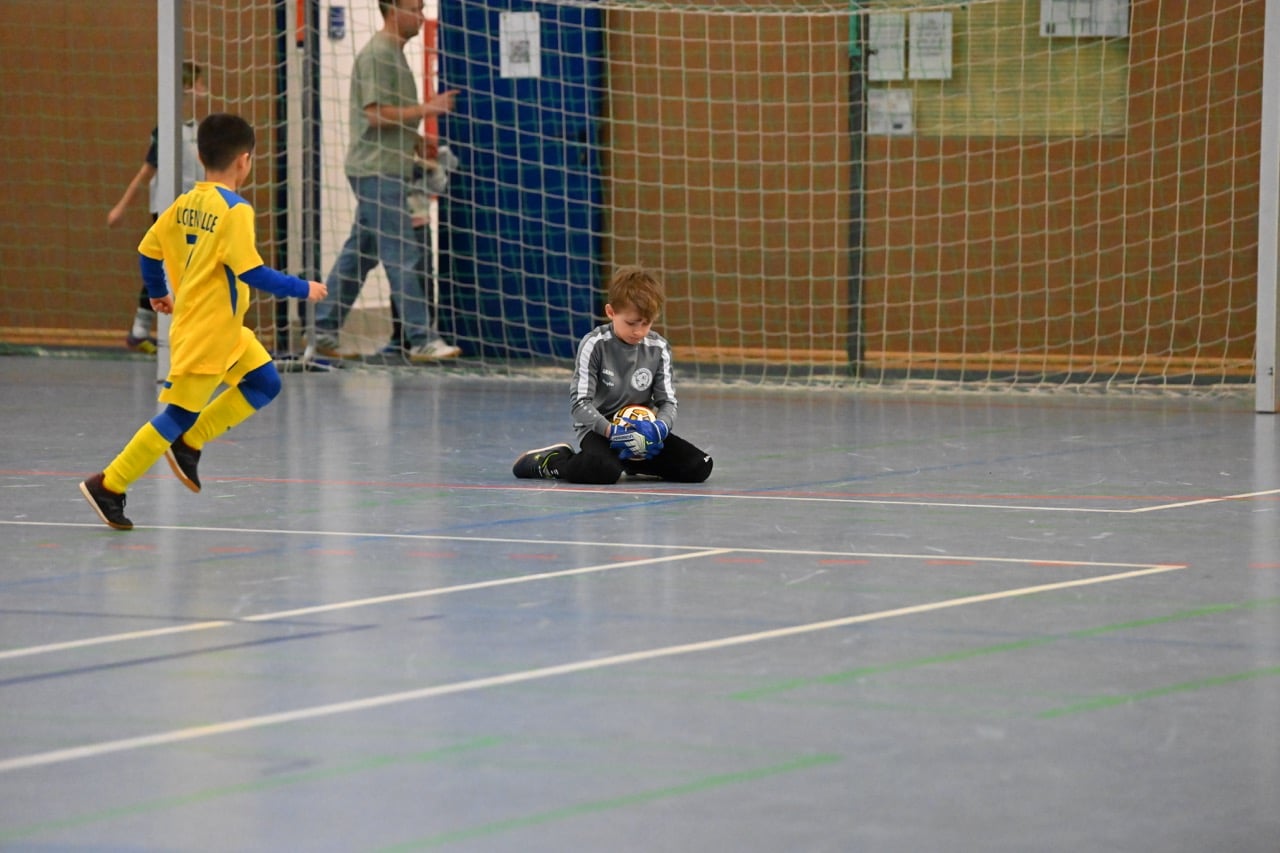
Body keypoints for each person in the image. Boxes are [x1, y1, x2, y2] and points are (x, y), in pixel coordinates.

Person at [80, 113, 328, 530]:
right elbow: (252, 272)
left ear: (200, 155)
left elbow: (148, 248)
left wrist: (157, 291)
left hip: (225, 329)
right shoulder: (235, 210)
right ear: (245, 161)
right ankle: (110, 484)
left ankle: (190, 443)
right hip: (207, 332)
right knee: (175, 414)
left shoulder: (182, 203)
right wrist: (303, 289)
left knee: (265, 382)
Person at [312, 0, 461, 363]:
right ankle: (422, 339)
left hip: (387, 167)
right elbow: (375, 115)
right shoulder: (378, 54)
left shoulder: (395, 54)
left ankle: (322, 331)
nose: (422, 16)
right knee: (402, 255)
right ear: (393, 9)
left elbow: (391, 116)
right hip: (376, 171)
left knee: (359, 254)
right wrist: (429, 109)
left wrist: (416, 141)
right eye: (416, 8)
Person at [512, 266, 714, 485]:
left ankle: (636, 462)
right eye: (631, 323)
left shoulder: (659, 347)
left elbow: (668, 402)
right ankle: (554, 461)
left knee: (699, 466)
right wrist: (611, 431)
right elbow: (579, 403)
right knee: (602, 471)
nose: (639, 331)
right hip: (599, 429)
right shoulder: (594, 344)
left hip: (641, 431)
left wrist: (660, 428)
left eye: (646, 323)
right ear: (610, 312)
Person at [107, 61, 209, 353]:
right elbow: (145, 174)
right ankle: (165, 333)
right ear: (188, 88)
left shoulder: (198, 130)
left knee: (177, 270)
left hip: (194, 212)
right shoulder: (168, 131)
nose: (204, 89)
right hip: (167, 211)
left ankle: (140, 331)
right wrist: (120, 208)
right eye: (199, 83)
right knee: (175, 269)